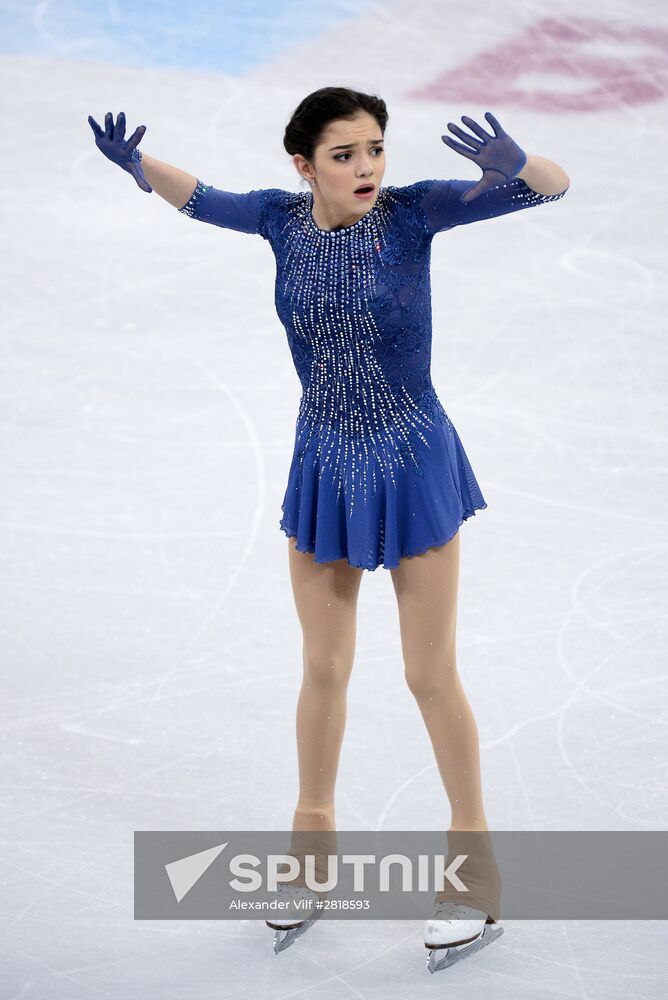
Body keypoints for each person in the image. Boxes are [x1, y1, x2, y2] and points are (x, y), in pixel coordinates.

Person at [88, 87, 569, 963]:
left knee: (429, 673)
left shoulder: (415, 213)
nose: (368, 169)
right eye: (345, 155)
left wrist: (519, 163)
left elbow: (551, 188)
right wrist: (137, 166)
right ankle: (311, 857)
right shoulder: (279, 219)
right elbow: (202, 199)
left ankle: (476, 871)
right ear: (304, 166)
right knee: (322, 664)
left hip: (412, 457)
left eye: (376, 149)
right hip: (325, 461)